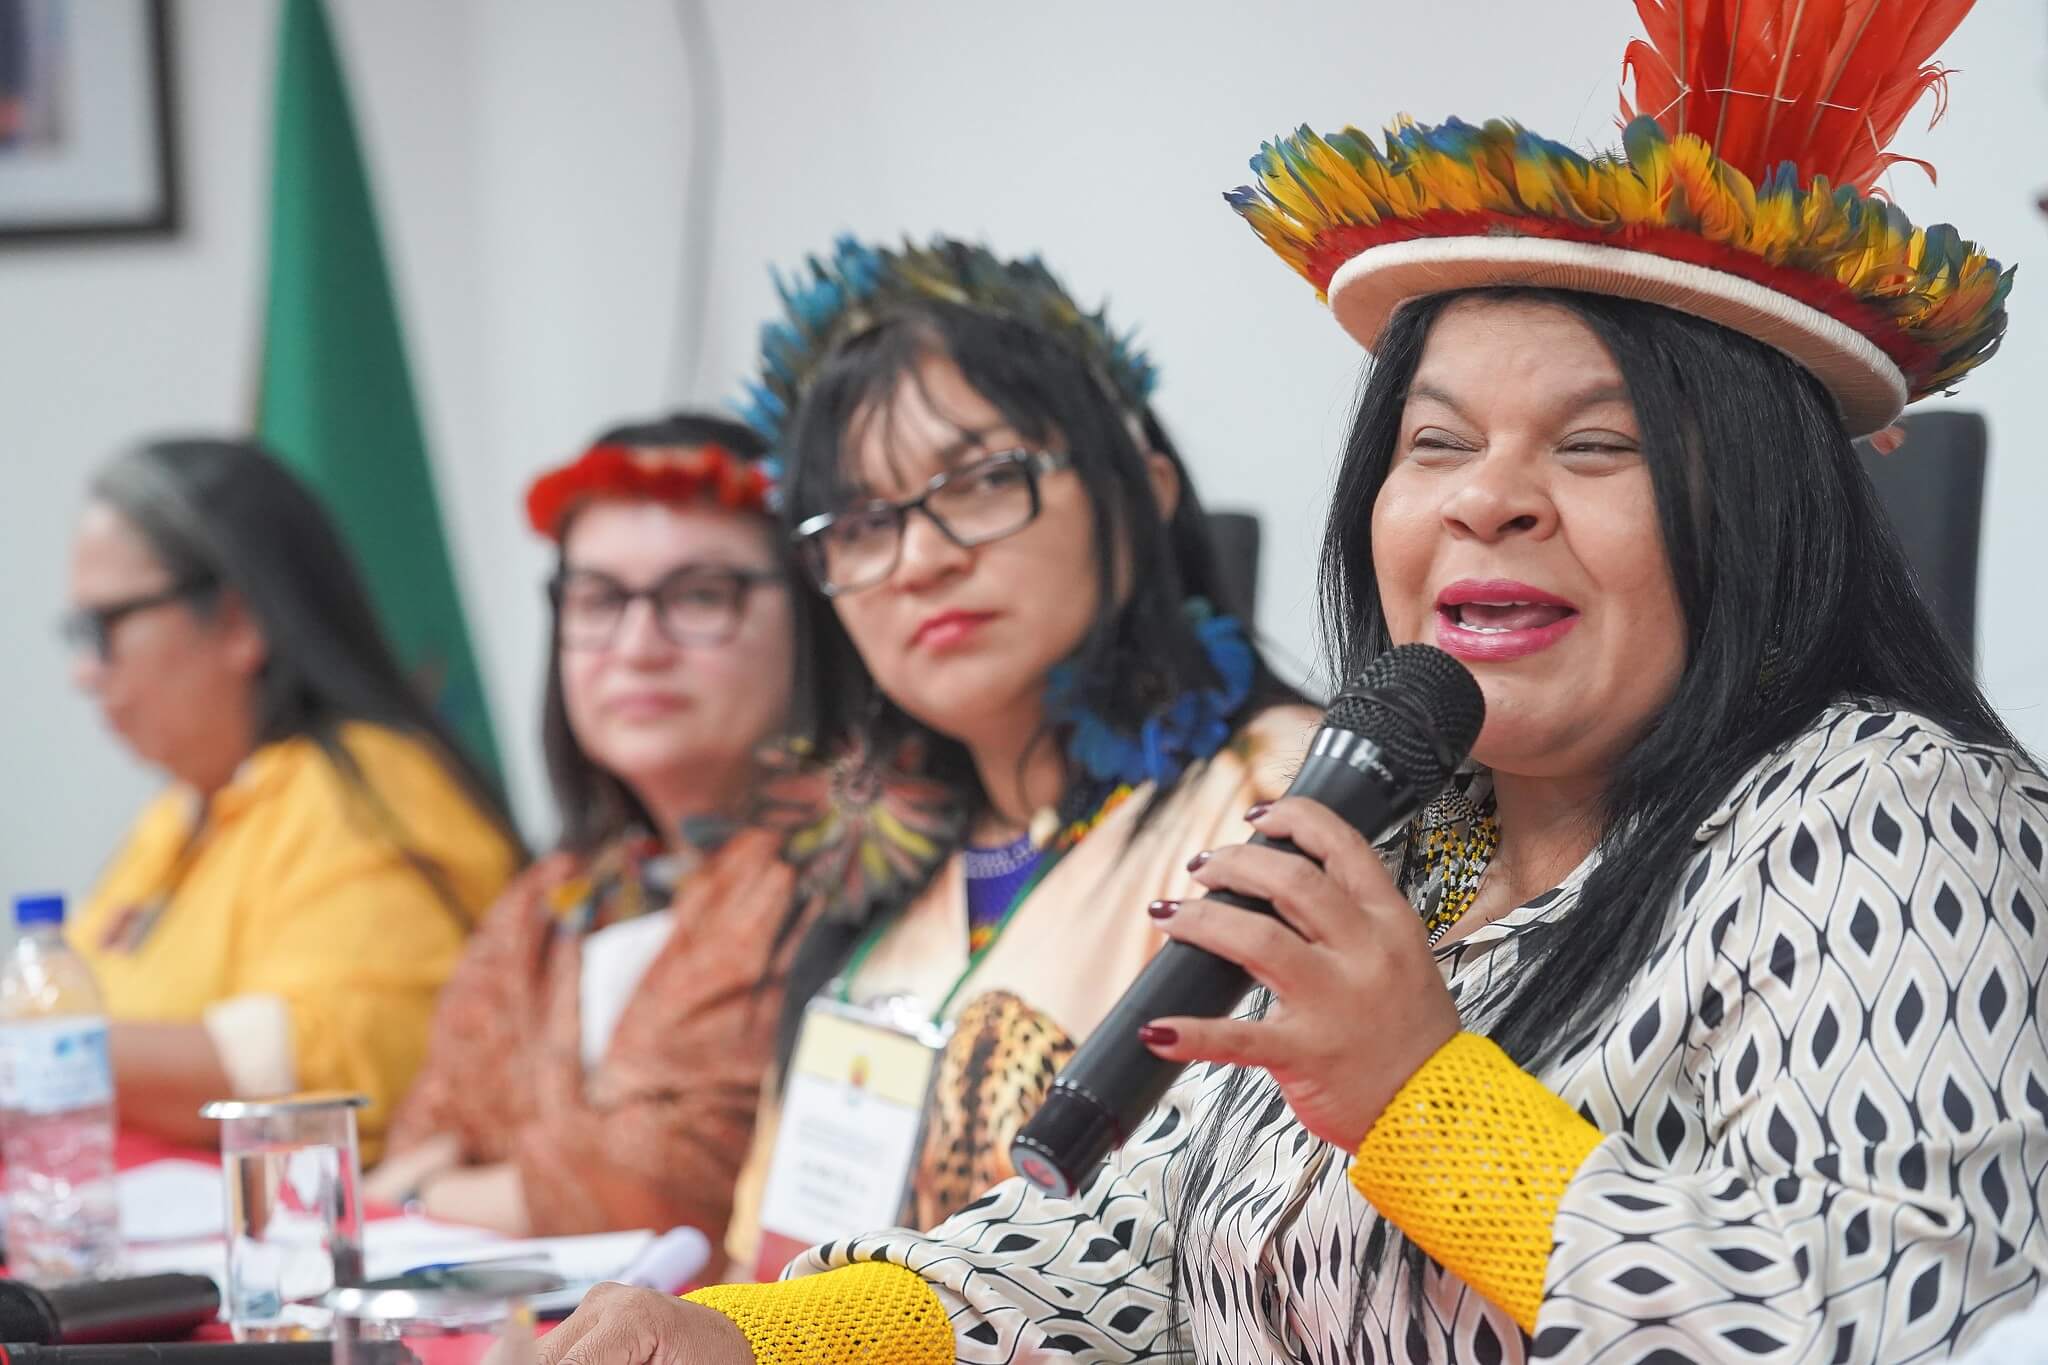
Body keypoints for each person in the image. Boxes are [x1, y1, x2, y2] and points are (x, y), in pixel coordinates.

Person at [535, 4, 2047, 1361]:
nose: (1486, 500)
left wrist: (1419, 1100)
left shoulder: (1886, 809)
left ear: (1760, 516)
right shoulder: (1416, 839)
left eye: (1595, 446)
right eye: (1437, 445)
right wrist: (759, 1342)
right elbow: (1133, 1258)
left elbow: (1897, 1315)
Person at [712, 236, 1317, 1277]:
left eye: (985, 479)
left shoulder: (1277, 802)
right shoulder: (870, 889)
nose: (920, 557)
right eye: (860, 523)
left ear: (1144, 489)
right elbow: (755, 1265)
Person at [368, 414, 800, 1241]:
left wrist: (442, 1194)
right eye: (598, 599)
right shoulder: (554, 892)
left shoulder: (852, 871)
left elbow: (674, 1185)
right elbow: (425, 1130)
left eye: (701, 594)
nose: (638, 645)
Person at [64, 438, 521, 1155]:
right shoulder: (177, 814)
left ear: (240, 624)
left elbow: (326, 1066)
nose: (84, 673)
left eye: (105, 627)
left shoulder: (368, 786)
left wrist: (41, 1053)